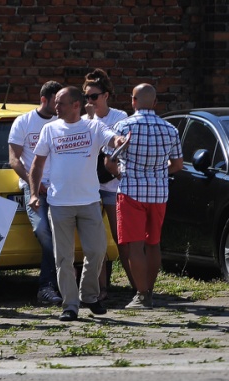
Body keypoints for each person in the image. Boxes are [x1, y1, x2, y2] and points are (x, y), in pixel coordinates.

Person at [29, 86, 124, 322]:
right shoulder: (50, 129)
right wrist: (33, 193)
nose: (55, 107)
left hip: (89, 201)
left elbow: (111, 139)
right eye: (55, 103)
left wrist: (119, 140)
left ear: (75, 105)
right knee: (63, 258)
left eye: (60, 103)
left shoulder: (92, 126)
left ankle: (89, 295)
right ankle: (70, 305)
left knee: (97, 251)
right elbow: (37, 165)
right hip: (59, 203)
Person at [113, 84, 183, 309]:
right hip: (159, 193)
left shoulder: (123, 126)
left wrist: (123, 173)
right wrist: (159, 173)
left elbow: (109, 161)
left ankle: (142, 294)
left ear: (133, 101)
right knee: (153, 244)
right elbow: (178, 164)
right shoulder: (170, 129)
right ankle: (150, 291)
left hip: (131, 192)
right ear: (155, 102)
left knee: (135, 246)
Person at [8, 80, 63, 306]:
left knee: (61, 235)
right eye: (56, 101)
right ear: (44, 100)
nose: (59, 106)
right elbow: (14, 160)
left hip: (60, 189)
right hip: (34, 189)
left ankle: (52, 285)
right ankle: (48, 286)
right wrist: (34, 182)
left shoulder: (62, 122)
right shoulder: (24, 122)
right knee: (43, 231)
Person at [81, 69, 132, 300]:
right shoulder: (83, 120)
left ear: (106, 96)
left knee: (121, 236)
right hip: (90, 186)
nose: (90, 101)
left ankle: (138, 287)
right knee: (95, 240)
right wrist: (90, 119)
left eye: (94, 96)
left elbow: (117, 146)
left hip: (112, 184)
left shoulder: (119, 117)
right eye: (87, 97)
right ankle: (100, 289)